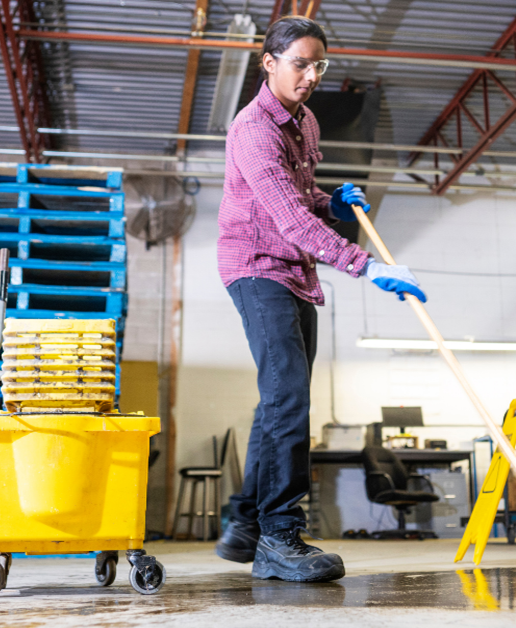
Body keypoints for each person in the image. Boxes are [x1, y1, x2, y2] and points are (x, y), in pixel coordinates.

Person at [215, 15, 427, 583]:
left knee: (280, 399)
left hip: (295, 271)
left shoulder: (305, 122)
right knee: (289, 400)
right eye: (300, 63)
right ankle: (279, 537)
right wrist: (368, 267)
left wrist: (330, 200)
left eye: (319, 65)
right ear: (270, 63)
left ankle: (245, 523)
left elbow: (299, 195)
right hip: (256, 266)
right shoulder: (254, 128)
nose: (310, 76)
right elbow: (287, 219)